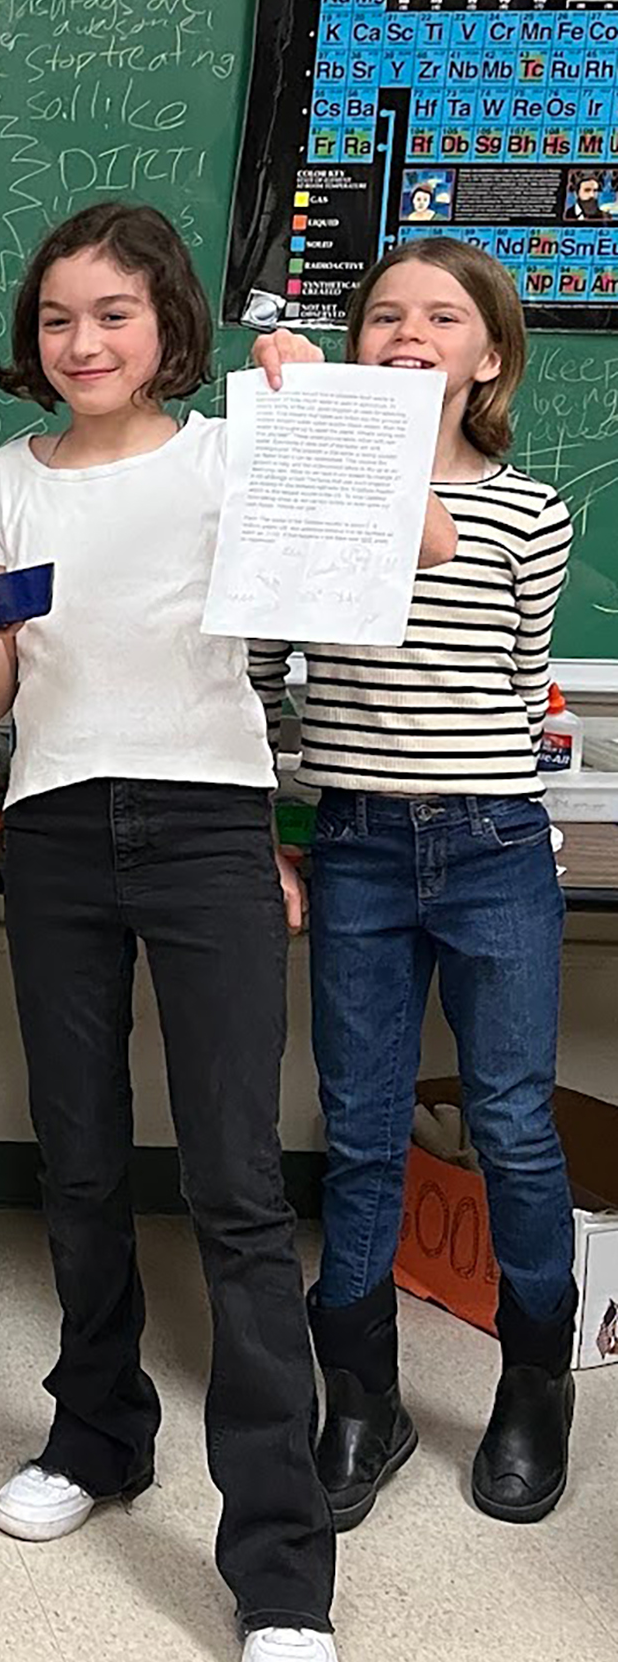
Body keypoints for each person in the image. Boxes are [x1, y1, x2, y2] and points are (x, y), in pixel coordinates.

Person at [0, 203, 338, 1662]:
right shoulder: (2, 479)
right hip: (52, 823)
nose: (83, 342)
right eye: (56, 319)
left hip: (212, 820)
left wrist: (306, 390)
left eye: (113, 313)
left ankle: (282, 1572)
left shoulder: (233, 453)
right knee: (82, 1155)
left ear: (171, 321)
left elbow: (374, 540)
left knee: (234, 1185)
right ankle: (98, 1434)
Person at [248, 239, 579, 1528]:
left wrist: (395, 508)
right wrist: (264, 826)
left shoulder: (528, 510)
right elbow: (263, 674)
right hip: (359, 843)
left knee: (508, 1121)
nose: (407, 331)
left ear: (485, 357)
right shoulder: (300, 488)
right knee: (365, 1125)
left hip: (493, 842)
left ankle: (536, 1384)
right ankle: (365, 1399)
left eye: (442, 317)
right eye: (383, 314)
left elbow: (516, 679)